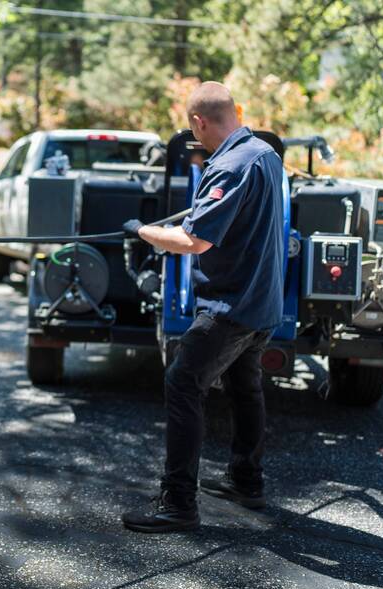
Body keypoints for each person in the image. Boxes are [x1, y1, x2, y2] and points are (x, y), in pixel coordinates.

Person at [121, 82, 285, 533]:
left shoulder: (230, 167)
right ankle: (247, 482)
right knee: (244, 387)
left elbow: (193, 241)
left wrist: (142, 231)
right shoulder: (265, 154)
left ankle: (177, 505)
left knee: (182, 383)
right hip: (263, 304)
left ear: (199, 122)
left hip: (231, 306)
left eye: (193, 130)